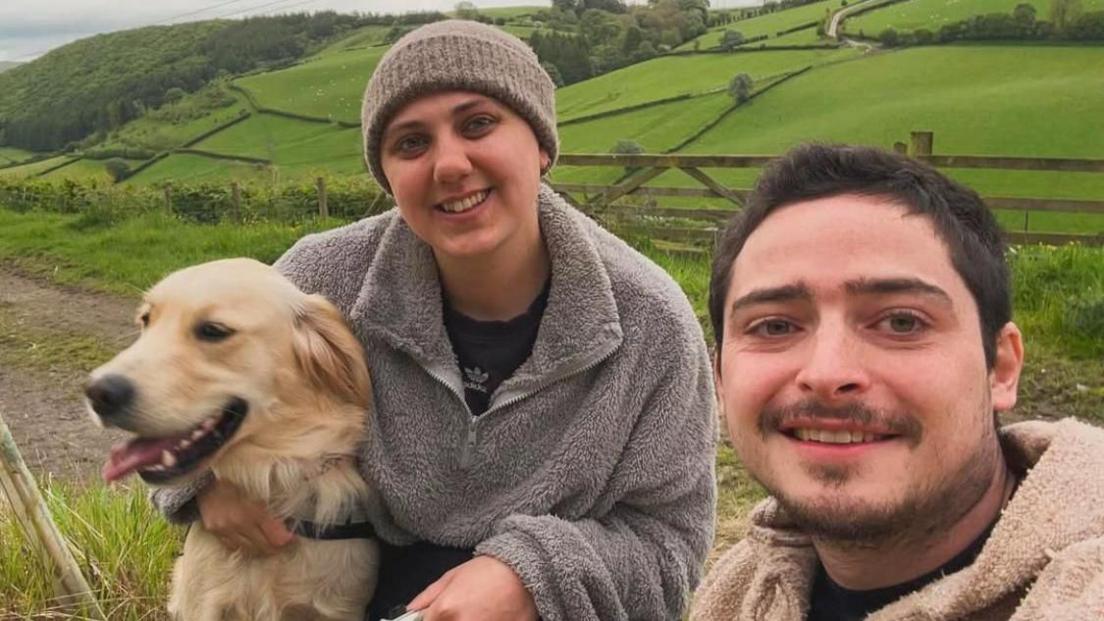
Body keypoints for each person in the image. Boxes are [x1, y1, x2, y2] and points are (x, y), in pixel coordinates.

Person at [152, 20, 717, 621]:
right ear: (387, 175)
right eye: (411, 143)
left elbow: (670, 548)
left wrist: (532, 576)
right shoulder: (319, 280)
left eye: (478, 124)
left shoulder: (650, 326)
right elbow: (179, 382)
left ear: (542, 144)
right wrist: (203, 483)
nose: (449, 165)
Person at [691, 143, 1104, 620]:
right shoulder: (741, 590)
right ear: (720, 377)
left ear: (1002, 367)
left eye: (902, 323)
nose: (827, 374)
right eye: (775, 326)